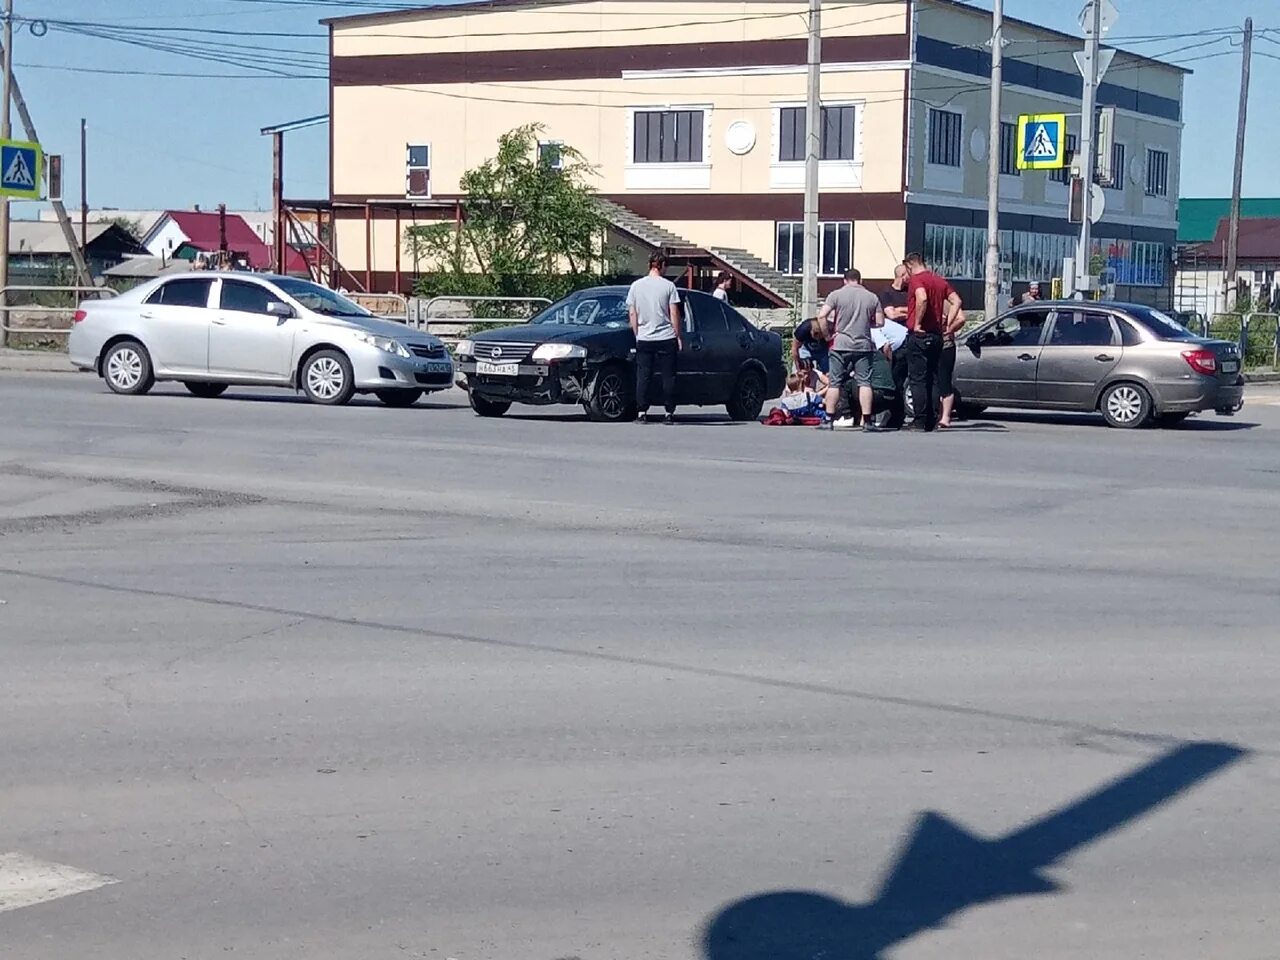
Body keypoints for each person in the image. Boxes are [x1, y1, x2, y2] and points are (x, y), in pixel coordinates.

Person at [815, 268, 885, 433]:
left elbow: (821, 316)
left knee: (835, 383)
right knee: (864, 382)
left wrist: (827, 336)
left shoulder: (836, 295)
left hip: (840, 344)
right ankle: (867, 421)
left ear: (845, 280)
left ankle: (828, 419)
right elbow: (881, 322)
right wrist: (867, 325)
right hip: (863, 345)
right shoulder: (872, 297)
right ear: (860, 280)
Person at [903, 252, 963, 432]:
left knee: (918, 379)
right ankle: (931, 418)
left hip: (920, 335)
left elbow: (922, 297)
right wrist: (948, 325)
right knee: (933, 379)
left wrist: (918, 323)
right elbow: (956, 301)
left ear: (909, 265)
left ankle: (920, 420)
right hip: (937, 336)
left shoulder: (917, 280)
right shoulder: (939, 281)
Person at [627, 253, 683, 424]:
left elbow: (632, 312)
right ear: (662, 265)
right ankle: (669, 412)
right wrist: (677, 335)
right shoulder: (668, 286)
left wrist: (637, 333)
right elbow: (674, 312)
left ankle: (642, 412)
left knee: (643, 376)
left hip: (645, 337)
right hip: (666, 336)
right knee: (668, 376)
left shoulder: (636, 286)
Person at [878, 264, 911, 427]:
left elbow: (917, 310)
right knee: (895, 381)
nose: (910, 278)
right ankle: (895, 416)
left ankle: (899, 416)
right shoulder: (886, 294)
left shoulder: (910, 292)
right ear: (901, 275)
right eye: (908, 274)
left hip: (908, 339)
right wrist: (908, 310)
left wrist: (902, 310)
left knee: (907, 380)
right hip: (895, 345)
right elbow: (891, 314)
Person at [937, 289, 967, 428]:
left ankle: (945, 417)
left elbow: (961, 319)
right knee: (935, 382)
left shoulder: (946, 303)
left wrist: (949, 329)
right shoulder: (923, 299)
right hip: (931, 346)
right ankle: (937, 415)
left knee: (944, 381)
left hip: (945, 345)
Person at [790, 315, 831, 385]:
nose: (817, 339)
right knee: (804, 371)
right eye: (816, 336)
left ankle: (827, 389)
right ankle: (803, 389)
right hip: (806, 349)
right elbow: (794, 348)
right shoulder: (803, 329)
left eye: (820, 336)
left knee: (828, 372)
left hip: (823, 350)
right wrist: (798, 367)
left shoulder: (828, 327)